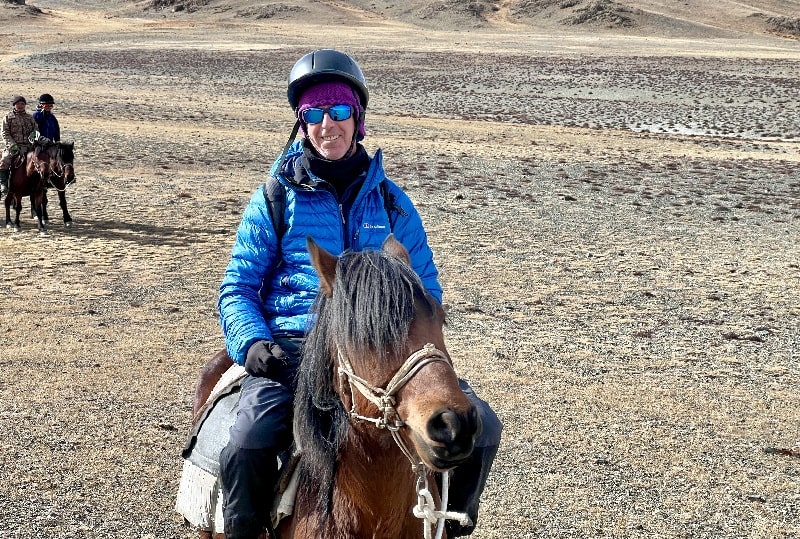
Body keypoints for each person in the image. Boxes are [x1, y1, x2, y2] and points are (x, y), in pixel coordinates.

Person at [217, 48, 501, 539]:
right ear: (302, 124)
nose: (329, 124)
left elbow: (426, 293)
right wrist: (253, 344)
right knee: (248, 439)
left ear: (359, 118)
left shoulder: (392, 202)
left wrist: (420, 345)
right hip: (293, 346)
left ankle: (451, 522)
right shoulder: (275, 196)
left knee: (482, 428)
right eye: (315, 114)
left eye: (340, 111)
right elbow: (239, 285)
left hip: (382, 351)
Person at [1, 95, 37, 197]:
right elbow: (5, 133)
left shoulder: (30, 118)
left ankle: (42, 184)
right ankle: (3, 184)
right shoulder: (8, 117)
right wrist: (13, 145)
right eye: (18, 104)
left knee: (41, 161)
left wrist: (34, 135)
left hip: (29, 147)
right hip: (13, 147)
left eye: (22, 104)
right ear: (14, 105)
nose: (20, 106)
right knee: (4, 161)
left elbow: (36, 130)